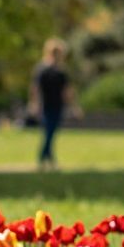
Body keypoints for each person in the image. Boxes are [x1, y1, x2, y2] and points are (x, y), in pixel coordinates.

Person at [30, 39, 80, 171]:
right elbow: (35, 89)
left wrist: (74, 107)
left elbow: (67, 91)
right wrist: (35, 104)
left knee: (51, 133)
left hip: (57, 105)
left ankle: (48, 159)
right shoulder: (42, 69)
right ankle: (43, 158)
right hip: (44, 106)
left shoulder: (62, 72)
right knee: (49, 132)